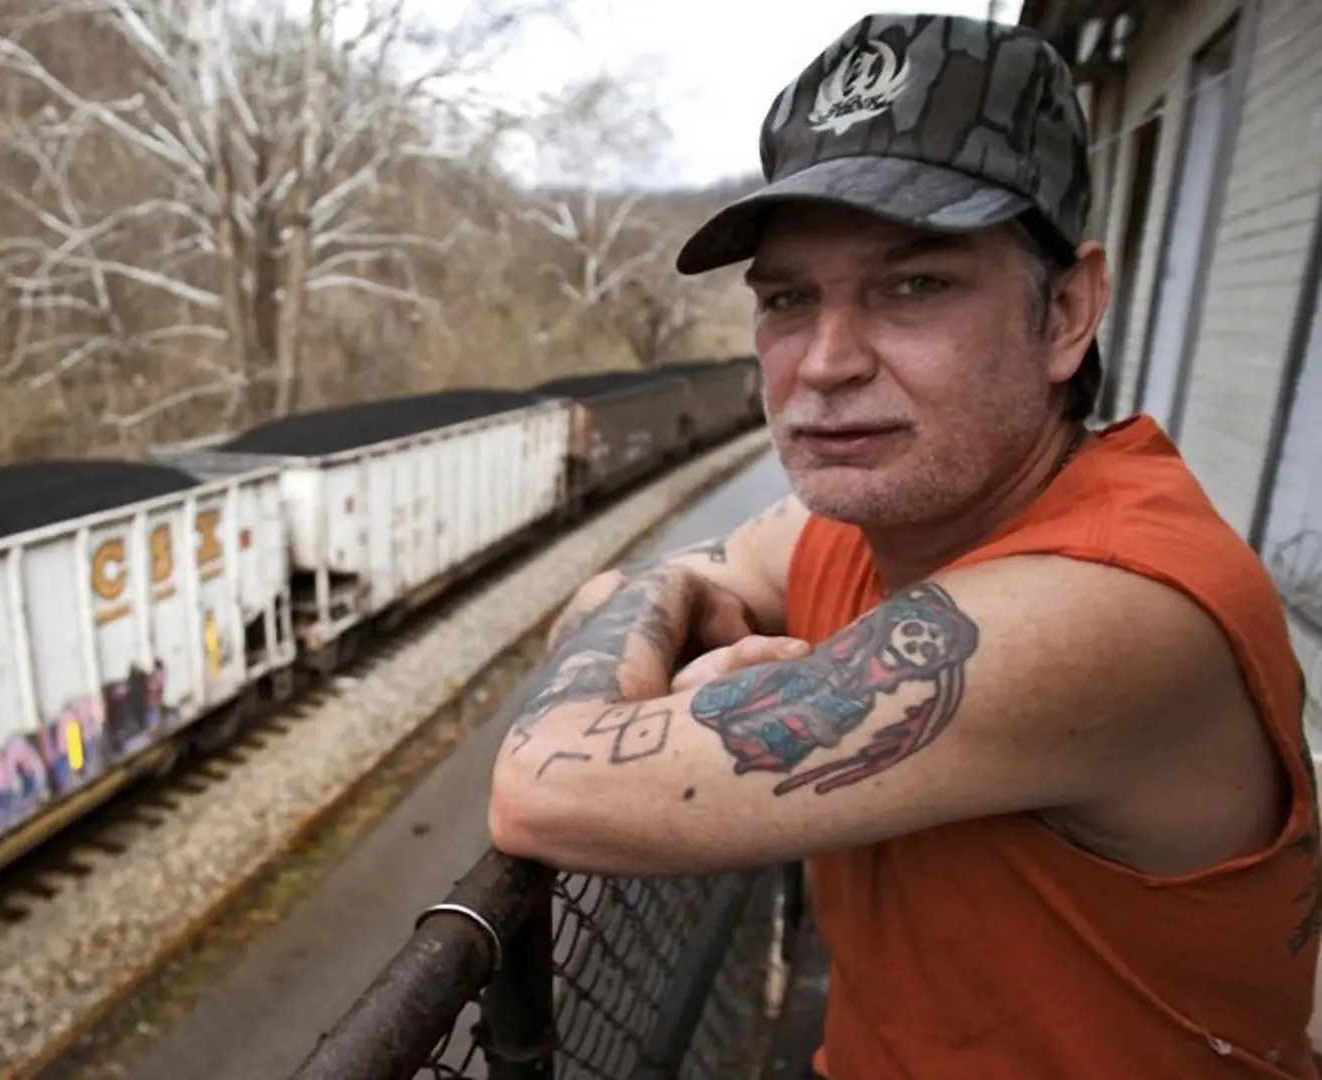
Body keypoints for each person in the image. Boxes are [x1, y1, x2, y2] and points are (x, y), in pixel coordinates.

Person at [485, 12, 1322, 1080]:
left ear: (1067, 313)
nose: (825, 362)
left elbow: (540, 783)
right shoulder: (871, 523)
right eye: (789, 298)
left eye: (915, 285)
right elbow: (631, 583)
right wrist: (663, 611)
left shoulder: (1108, 606)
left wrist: (659, 659)